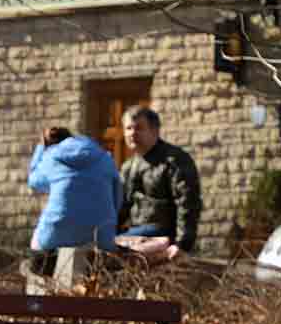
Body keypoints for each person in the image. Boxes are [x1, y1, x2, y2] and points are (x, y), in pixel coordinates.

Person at [26, 126, 120, 278]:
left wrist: (40, 149)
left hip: (57, 230)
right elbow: (117, 197)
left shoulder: (51, 157)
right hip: (101, 234)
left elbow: (34, 181)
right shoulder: (105, 157)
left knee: (38, 243)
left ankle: (40, 290)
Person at [117, 107, 202, 257]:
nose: (132, 133)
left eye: (139, 128)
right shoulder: (128, 167)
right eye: (128, 128)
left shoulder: (175, 161)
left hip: (164, 234)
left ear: (155, 130)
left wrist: (182, 244)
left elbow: (187, 204)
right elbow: (120, 207)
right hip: (137, 235)